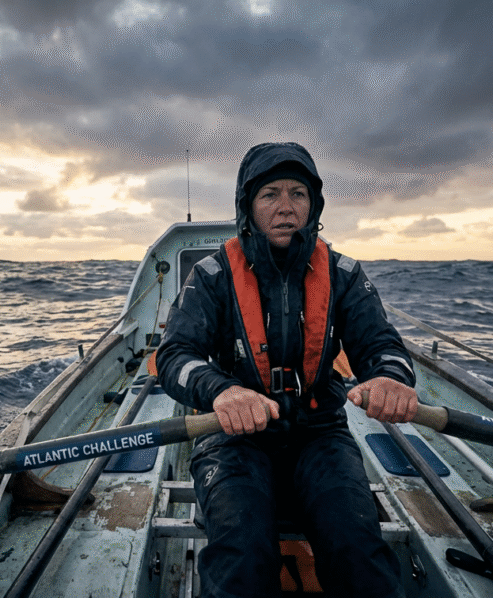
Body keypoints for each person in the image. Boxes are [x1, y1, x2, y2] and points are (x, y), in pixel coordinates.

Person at [155, 142, 419, 598]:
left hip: (321, 433)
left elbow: (383, 347)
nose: (285, 208)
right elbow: (174, 356)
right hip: (233, 437)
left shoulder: (344, 274)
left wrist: (391, 379)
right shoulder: (213, 275)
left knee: (358, 548)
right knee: (240, 552)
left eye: (298, 194)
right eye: (270, 194)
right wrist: (221, 391)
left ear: (313, 205)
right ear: (248, 206)